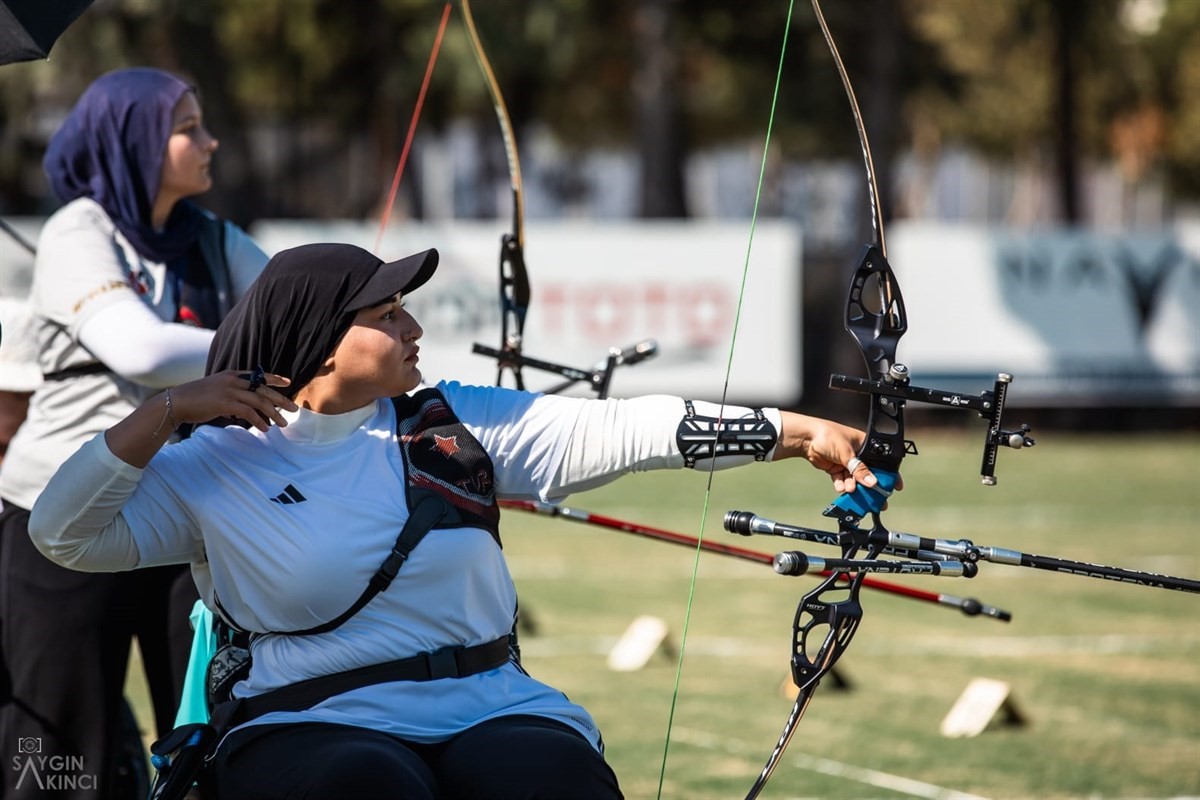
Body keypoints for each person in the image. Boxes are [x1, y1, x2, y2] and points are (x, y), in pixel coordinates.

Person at [26, 241, 889, 800]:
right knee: (367, 790)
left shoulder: (449, 420)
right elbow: (61, 534)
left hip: (490, 703)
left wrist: (793, 430)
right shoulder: (216, 461)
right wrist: (167, 411)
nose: (415, 326)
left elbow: (617, 429)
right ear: (324, 342)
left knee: (554, 785)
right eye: (387, 314)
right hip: (309, 720)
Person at [0, 68, 269, 799]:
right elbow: (141, 352)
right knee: (57, 755)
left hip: (188, 519)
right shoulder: (77, 229)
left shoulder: (214, 239)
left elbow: (297, 313)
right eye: (187, 128)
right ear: (135, 142)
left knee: (211, 737)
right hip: (62, 517)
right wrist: (263, 352)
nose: (210, 141)